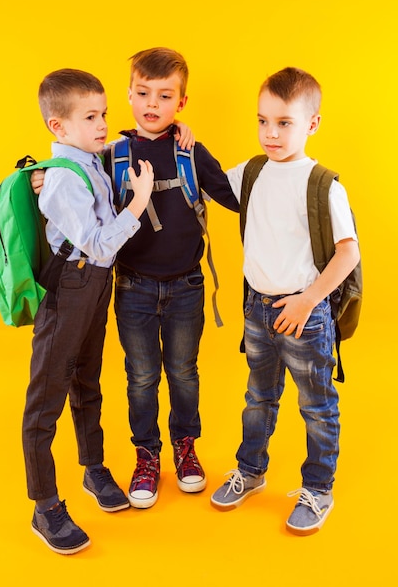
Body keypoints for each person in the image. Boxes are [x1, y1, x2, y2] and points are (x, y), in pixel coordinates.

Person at [210, 67, 360, 534]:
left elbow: (348, 252)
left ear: (311, 124)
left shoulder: (323, 183)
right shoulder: (252, 171)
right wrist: (182, 139)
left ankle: (318, 489)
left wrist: (309, 300)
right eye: (262, 121)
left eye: (284, 123)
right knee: (258, 397)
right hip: (257, 308)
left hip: (304, 314)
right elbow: (211, 183)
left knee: (316, 406)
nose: (270, 133)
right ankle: (251, 472)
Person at [22, 68, 154, 555]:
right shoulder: (60, 179)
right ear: (58, 127)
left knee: (87, 381)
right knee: (46, 399)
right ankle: (45, 505)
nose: (103, 125)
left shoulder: (89, 161)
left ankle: (93, 467)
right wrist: (138, 204)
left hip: (96, 284)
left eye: (104, 114)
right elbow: (98, 242)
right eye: (90, 117)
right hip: (70, 288)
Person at [104, 47, 239, 509]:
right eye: (143, 93)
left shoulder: (190, 151)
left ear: (181, 103)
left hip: (186, 288)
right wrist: (43, 178)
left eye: (164, 96)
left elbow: (232, 194)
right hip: (133, 287)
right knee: (140, 376)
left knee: (183, 373)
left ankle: (186, 447)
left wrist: (291, 180)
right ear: (129, 94)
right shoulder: (111, 155)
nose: (152, 104)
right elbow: (79, 191)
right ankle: (146, 455)